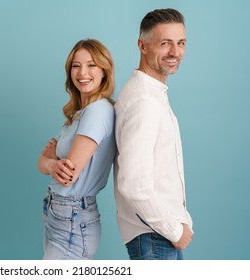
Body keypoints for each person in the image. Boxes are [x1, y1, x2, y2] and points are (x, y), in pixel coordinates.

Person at [114, 8, 194, 260]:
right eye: (165, 43)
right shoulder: (144, 100)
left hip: (156, 237)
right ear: (142, 45)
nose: (175, 52)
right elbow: (134, 184)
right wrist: (173, 229)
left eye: (180, 43)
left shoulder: (151, 93)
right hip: (155, 238)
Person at [37, 39, 116, 260]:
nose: (83, 72)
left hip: (72, 217)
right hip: (60, 215)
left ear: (104, 71)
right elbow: (41, 164)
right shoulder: (78, 114)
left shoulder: (98, 111)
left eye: (91, 65)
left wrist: (52, 163)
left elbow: (67, 175)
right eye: (76, 65)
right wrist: (52, 163)